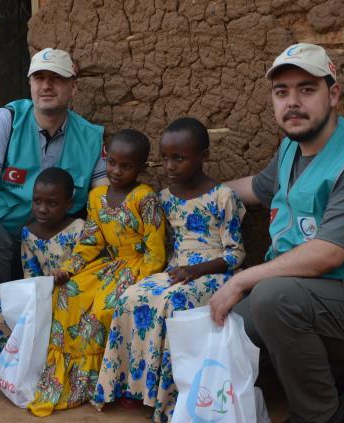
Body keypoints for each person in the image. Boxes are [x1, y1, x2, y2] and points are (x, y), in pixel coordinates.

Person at [210, 43, 344, 423]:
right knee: (229, 330)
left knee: (272, 300)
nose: (293, 102)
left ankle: (318, 416)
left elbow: (328, 254)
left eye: (307, 89)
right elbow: (257, 188)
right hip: (318, 295)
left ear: (333, 94)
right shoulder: (292, 147)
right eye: (282, 92)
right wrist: (194, 197)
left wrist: (245, 280)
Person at [0, 48, 107, 367]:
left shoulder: (90, 136)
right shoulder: (5, 119)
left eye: (57, 79)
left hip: (55, 249)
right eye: (40, 78)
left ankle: (62, 333)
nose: (47, 86)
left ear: (73, 87)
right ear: (31, 83)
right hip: (4, 243)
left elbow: (102, 202)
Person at [93, 117, 246, 422]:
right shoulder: (163, 199)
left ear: (204, 157)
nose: (170, 166)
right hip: (175, 272)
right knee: (130, 297)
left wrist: (197, 269)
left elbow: (236, 253)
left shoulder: (222, 196)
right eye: (165, 158)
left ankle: (168, 397)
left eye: (179, 158)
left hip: (214, 274)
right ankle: (131, 386)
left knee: (170, 304)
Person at [29, 129, 167, 417]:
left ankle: (107, 383)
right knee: (69, 294)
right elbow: (91, 242)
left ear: (141, 167)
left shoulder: (145, 198)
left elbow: (155, 251)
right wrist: (68, 269)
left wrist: (139, 280)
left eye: (126, 166)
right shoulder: (96, 196)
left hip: (137, 269)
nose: (116, 171)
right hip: (108, 266)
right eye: (112, 162)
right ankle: (69, 378)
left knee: (103, 308)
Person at [0, 167, 85, 354]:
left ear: (68, 204)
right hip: (41, 294)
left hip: (73, 295)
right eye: (37, 201)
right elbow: (30, 274)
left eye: (52, 203)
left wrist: (65, 275)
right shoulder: (29, 233)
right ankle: (11, 366)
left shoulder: (80, 229)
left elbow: (86, 267)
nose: (42, 208)